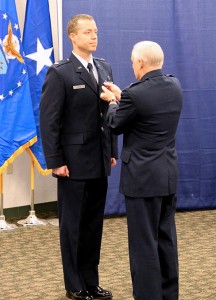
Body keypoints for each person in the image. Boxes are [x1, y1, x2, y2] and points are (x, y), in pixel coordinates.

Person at [40, 14, 118, 300]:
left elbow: (109, 115)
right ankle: (74, 285)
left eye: (95, 31)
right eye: (88, 32)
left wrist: (111, 151)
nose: (94, 36)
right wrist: (56, 161)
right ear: (72, 36)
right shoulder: (60, 72)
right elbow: (49, 122)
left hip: (99, 160)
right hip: (71, 164)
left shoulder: (105, 67)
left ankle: (91, 280)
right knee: (72, 227)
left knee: (93, 225)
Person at [100, 41, 183, 300]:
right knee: (166, 238)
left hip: (142, 180)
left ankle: (148, 295)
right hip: (167, 175)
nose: (132, 66)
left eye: (133, 62)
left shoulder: (136, 94)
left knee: (143, 243)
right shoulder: (174, 85)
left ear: (140, 63)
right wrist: (123, 95)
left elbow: (115, 124)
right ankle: (169, 294)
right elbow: (148, 103)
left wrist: (112, 102)